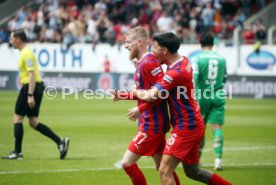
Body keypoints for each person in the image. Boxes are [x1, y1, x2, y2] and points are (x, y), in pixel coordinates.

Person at [128, 32, 232, 185]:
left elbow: (151, 95)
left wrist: (135, 92)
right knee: (193, 171)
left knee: (164, 170)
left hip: (186, 126)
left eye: (155, 48)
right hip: (193, 123)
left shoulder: (174, 73)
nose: (152, 52)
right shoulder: (184, 61)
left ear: (165, 51)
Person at [113, 26, 180, 185]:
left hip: (152, 125)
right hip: (150, 122)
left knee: (127, 163)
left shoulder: (149, 63)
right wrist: (122, 96)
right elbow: (144, 93)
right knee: (162, 167)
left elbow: (162, 93)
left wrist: (140, 109)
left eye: (128, 42)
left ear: (139, 42)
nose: (126, 45)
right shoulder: (141, 63)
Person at [2, 30, 69, 160]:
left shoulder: (26, 54)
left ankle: (17, 153)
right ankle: (60, 142)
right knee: (33, 121)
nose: (10, 41)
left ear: (18, 39)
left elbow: (32, 74)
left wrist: (30, 94)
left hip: (31, 88)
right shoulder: (26, 53)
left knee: (17, 119)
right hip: (36, 87)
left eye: (11, 39)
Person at [192, 33, 227, 170]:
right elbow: (224, 79)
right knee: (217, 128)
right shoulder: (221, 58)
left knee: (200, 128)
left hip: (202, 95)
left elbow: (194, 79)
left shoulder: (198, 58)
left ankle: (197, 160)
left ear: (200, 44)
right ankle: (218, 160)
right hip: (218, 94)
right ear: (213, 44)